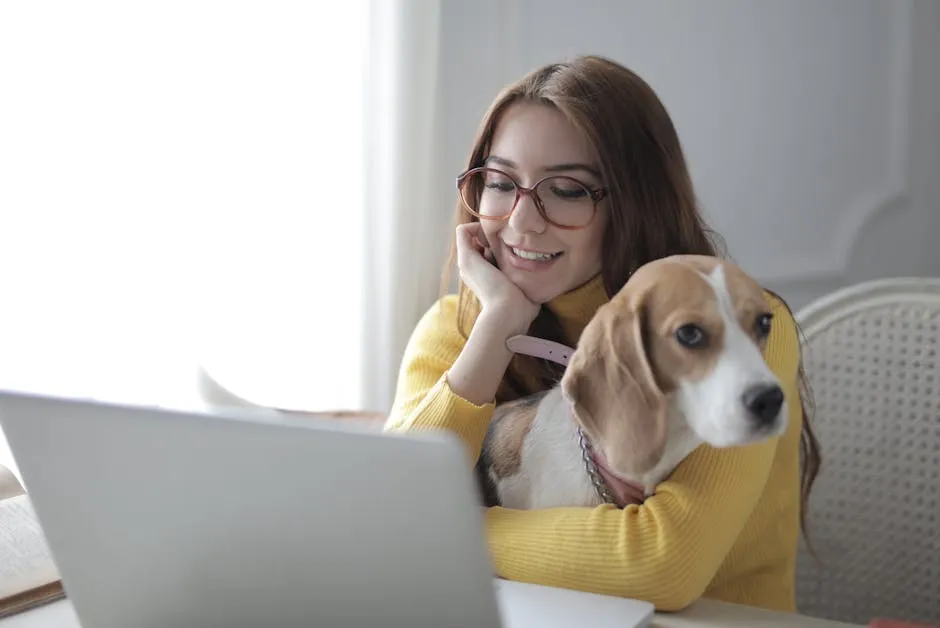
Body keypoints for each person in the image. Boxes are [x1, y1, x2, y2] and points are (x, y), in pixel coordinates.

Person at [383, 55, 821, 613]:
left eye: (566, 190)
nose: (522, 221)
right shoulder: (457, 327)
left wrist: (446, 535)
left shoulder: (748, 328)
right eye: (499, 182)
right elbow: (394, 508)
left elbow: (664, 566)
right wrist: (495, 330)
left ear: (636, 200)